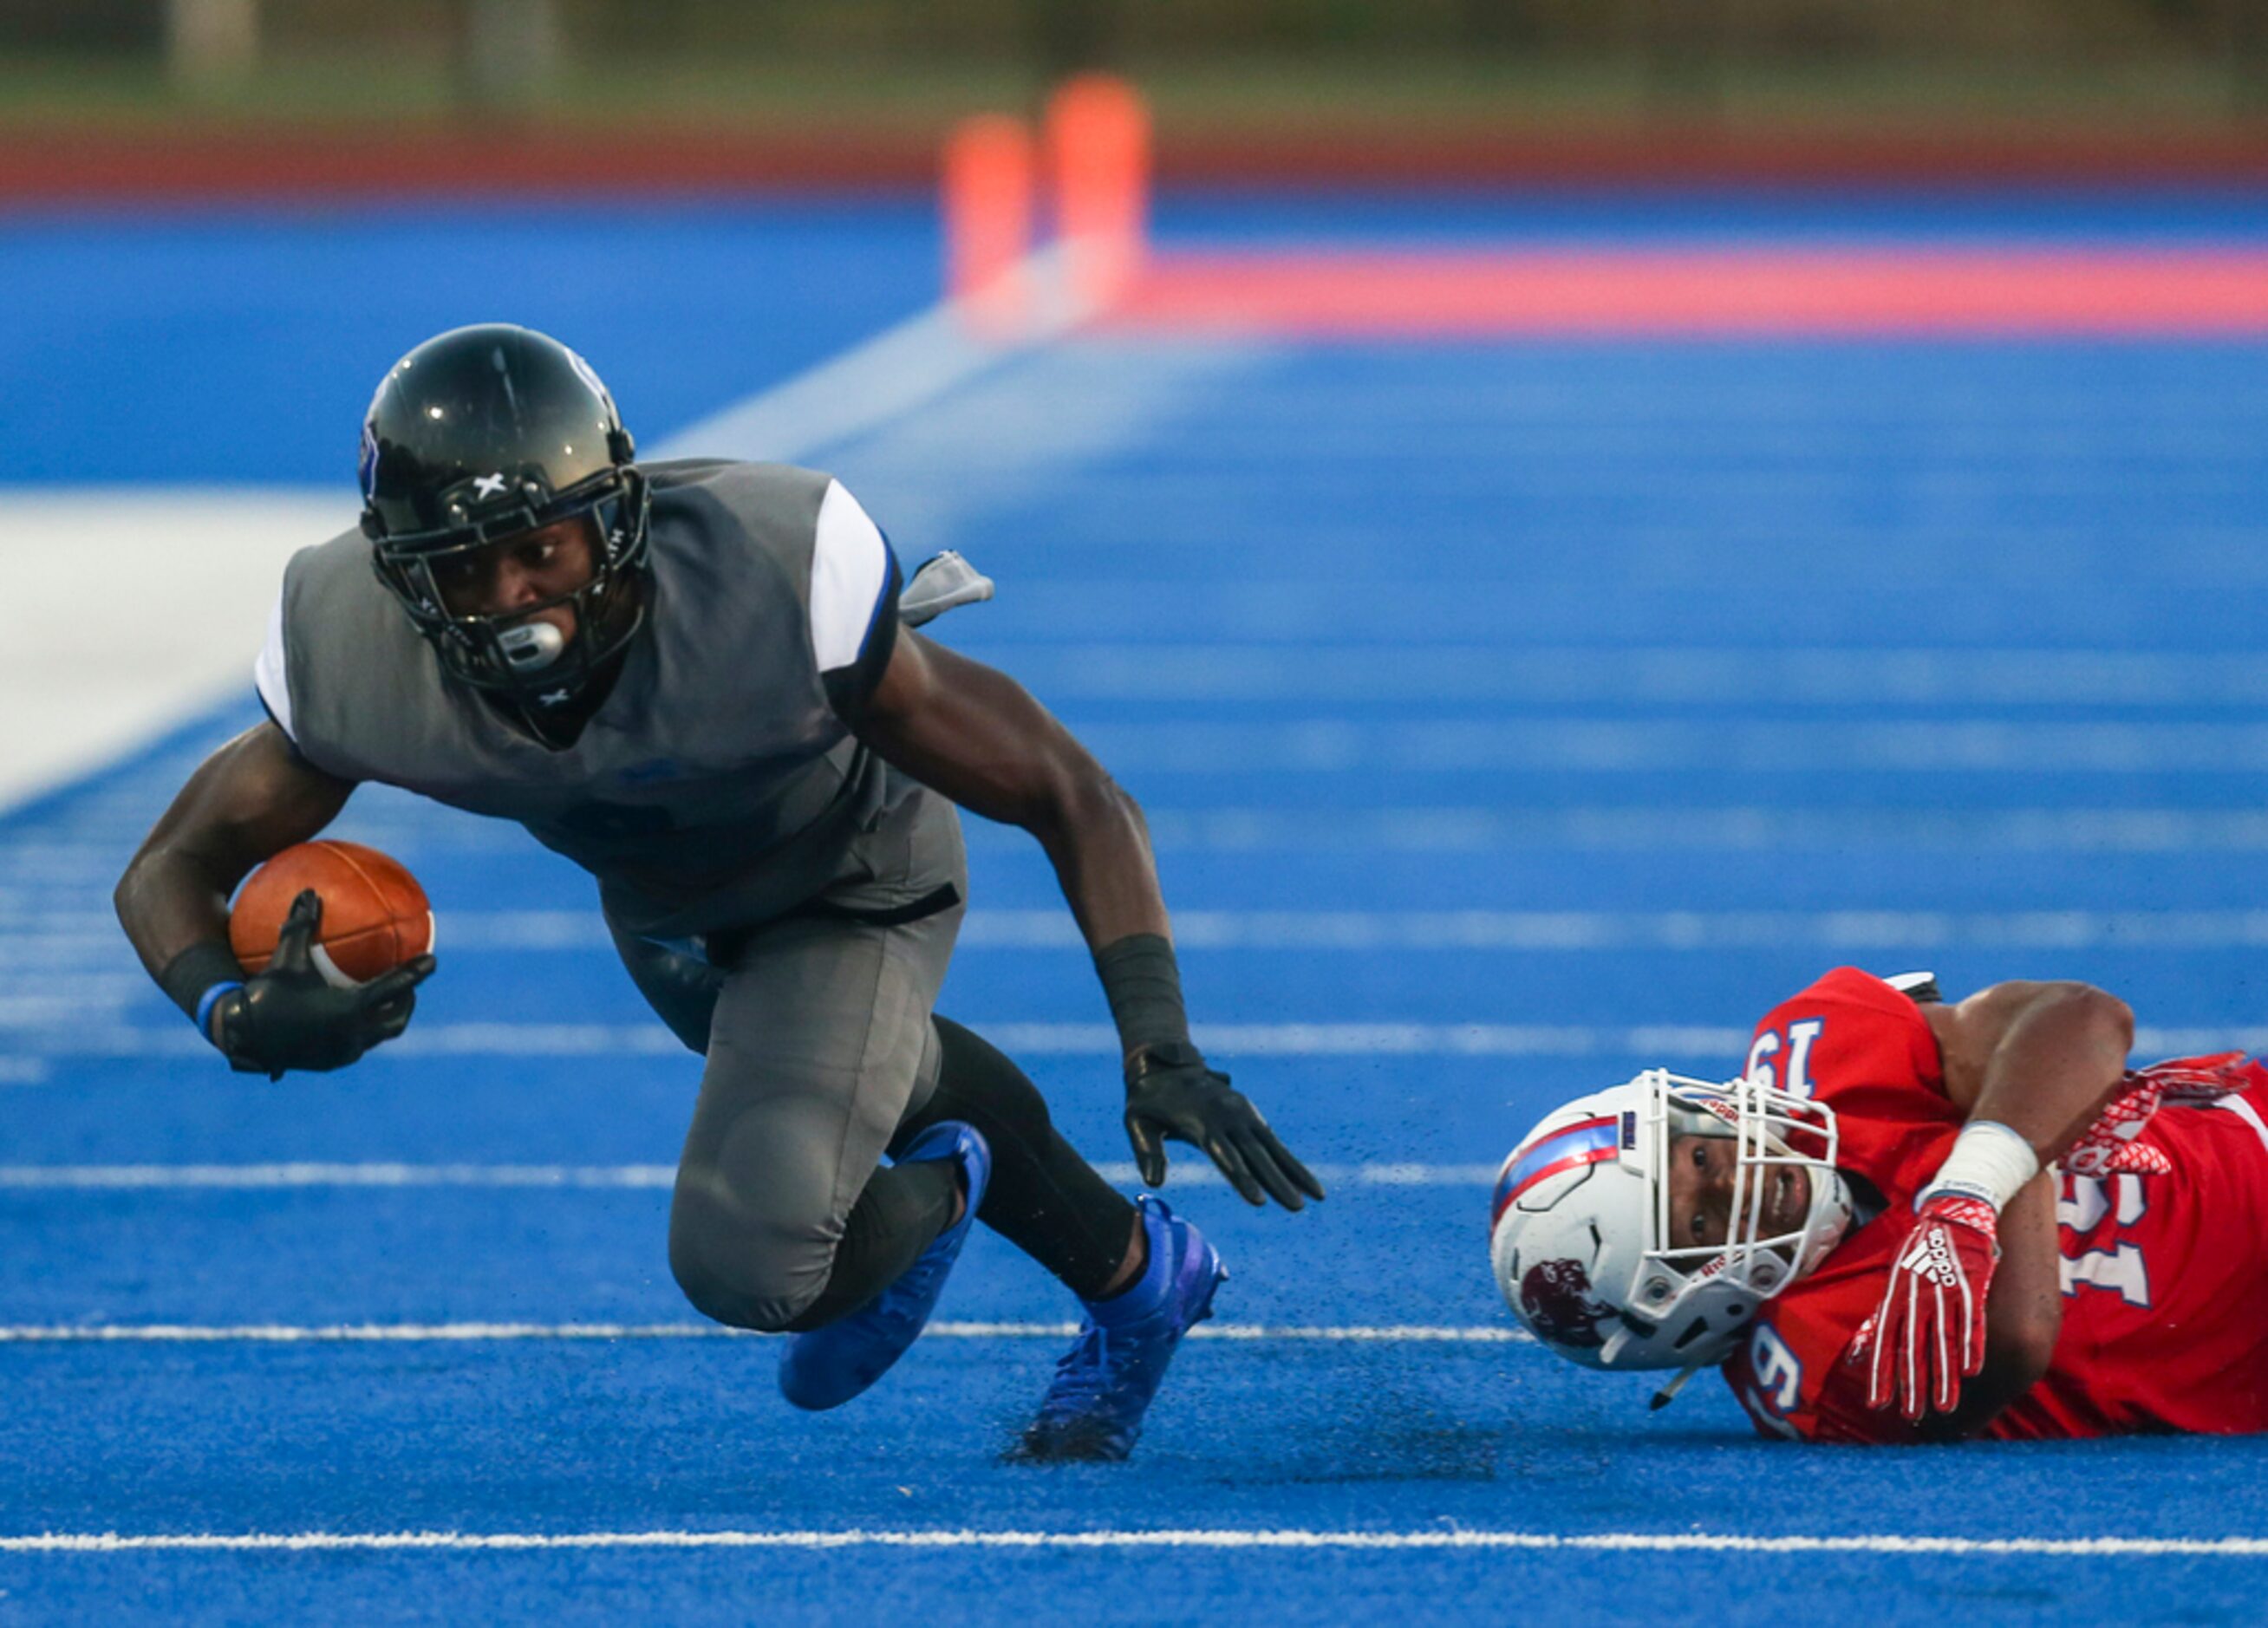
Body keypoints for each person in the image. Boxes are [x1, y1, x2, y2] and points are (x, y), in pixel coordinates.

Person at [113, 322, 1324, 1462]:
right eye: (469, 568)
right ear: (403, 577)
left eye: (544, 547)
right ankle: (1141, 1281)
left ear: (618, 516)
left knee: (755, 1265)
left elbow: (1066, 785)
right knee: (866, 1071)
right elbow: (168, 867)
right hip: (663, 920)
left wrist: (1158, 1038)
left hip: (851, 879)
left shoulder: (771, 570)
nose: (518, 597)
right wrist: (232, 1009)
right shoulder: (351, 652)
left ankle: (953, 1179)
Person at [1489, 965, 2268, 1442]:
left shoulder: (1816, 1053)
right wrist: (2009, 1120)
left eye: (1698, 1155)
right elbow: (2016, 1334)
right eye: (1699, 1220)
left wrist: (1967, 1192)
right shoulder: (1805, 1372)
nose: (1737, 1178)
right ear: (1690, 1308)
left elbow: (2084, 1017)